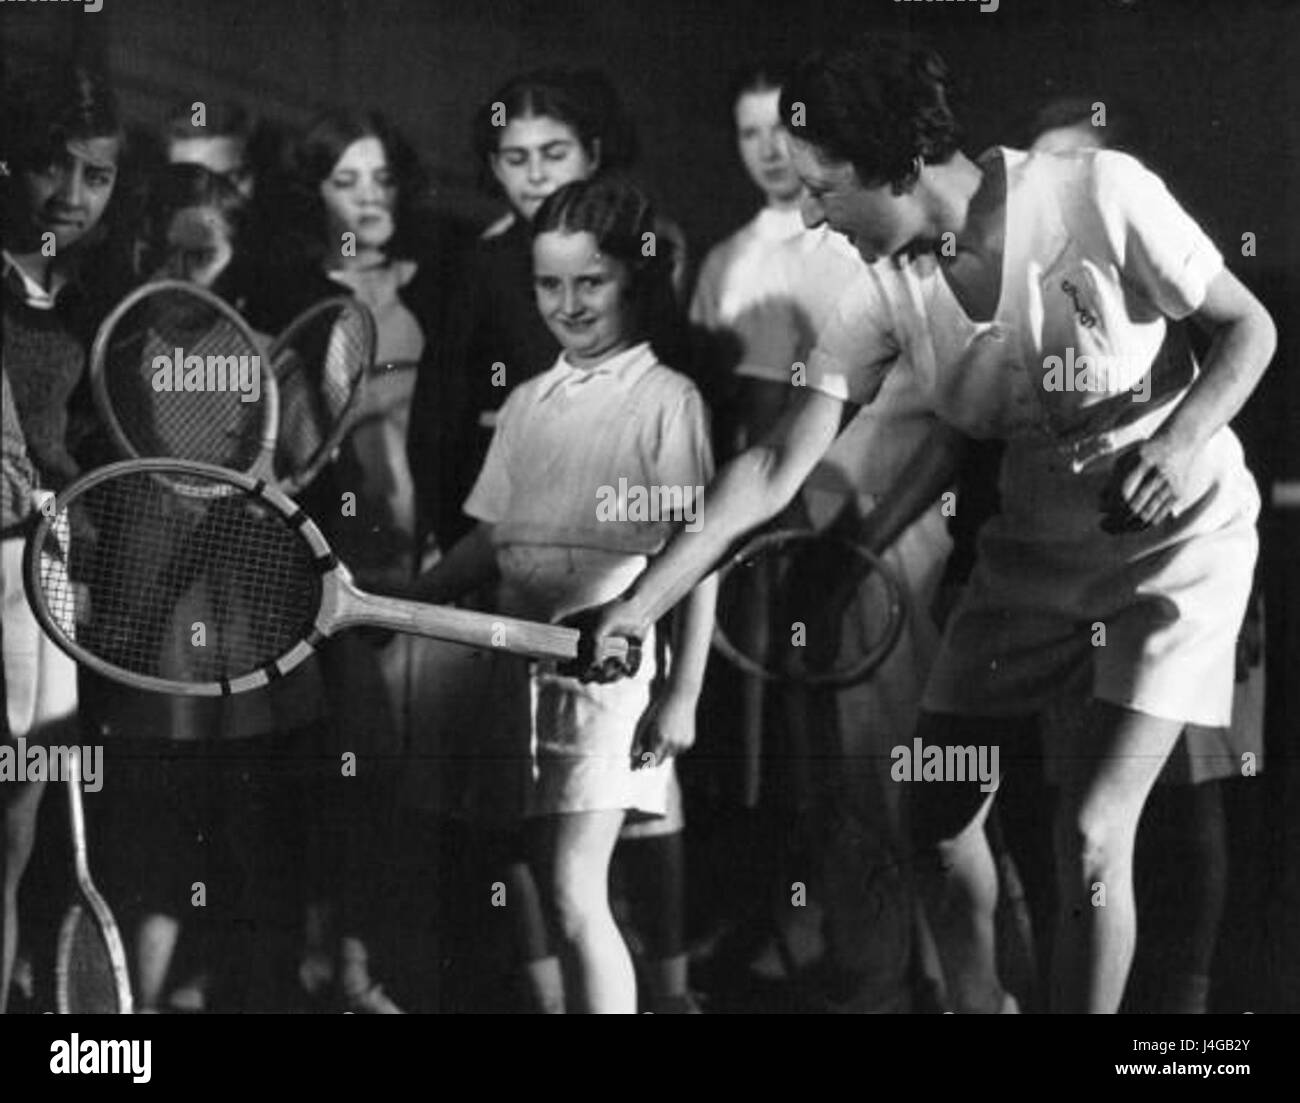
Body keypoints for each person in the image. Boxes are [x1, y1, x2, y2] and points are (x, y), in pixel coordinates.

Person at [579, 34, 1276, 1013]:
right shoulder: (881, 296)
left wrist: (1180, 440)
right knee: (929, 814)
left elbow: (1251, 329)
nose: (813, 218)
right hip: (1032, 551)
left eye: (822, 189)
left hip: (1179, 536)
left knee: (1090, 829)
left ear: (886, 162)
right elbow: (776, 461)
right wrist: (639, 602)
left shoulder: (1098, 190)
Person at [406, 70, 698, 1013]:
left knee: (577, 891)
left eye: (593, 284)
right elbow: (492, 540)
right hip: (518, 679)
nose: (568, 304)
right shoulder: (528, 403)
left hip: (610, 681)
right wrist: (408, 603)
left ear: (636, 282)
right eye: (549, 285)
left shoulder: (668, 400)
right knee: (545, 877)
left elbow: (700, 560)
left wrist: (683, 693)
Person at [1, 62, 127, 1013]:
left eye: (99, 175)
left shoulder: (97, 297)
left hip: (49, 570)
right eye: (56, 168)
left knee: (21, 816)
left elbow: (87, 442)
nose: (73, 195)